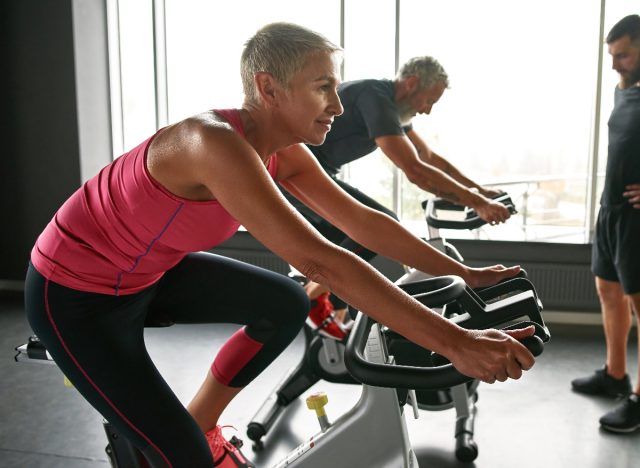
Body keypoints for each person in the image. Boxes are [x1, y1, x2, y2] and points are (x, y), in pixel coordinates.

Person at [25, 22, 536, 468]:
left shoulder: (283, 151)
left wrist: (465, 274)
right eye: (323, 89)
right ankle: (184, 443)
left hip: (145, 275)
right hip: (74, 295)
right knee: (180, 457)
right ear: (268, 88)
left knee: (284, 302)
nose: (338, 105)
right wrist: (456, 343)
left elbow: (363, 221)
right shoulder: (212, 143)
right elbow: (320, 259)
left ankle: (201, 421)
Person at [286, 56, 514, 339]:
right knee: (374, 229)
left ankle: (328, 310)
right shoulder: (375, 97)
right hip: (294, 175)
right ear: (412, 84)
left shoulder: (391, 107)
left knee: (356, 242)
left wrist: (478, 191)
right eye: (428, 101)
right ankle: (309, 297)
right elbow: (415, 170)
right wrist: (477, 203)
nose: (427, 111)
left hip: (317, 174)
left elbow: (428, 157)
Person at [571, 14, 640, 434]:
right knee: (608, 291)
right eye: (612, 55)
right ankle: (616, 374)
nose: (615, 64)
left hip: (637, 217)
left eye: (625, 55)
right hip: (611, 209)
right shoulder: (624, 89)